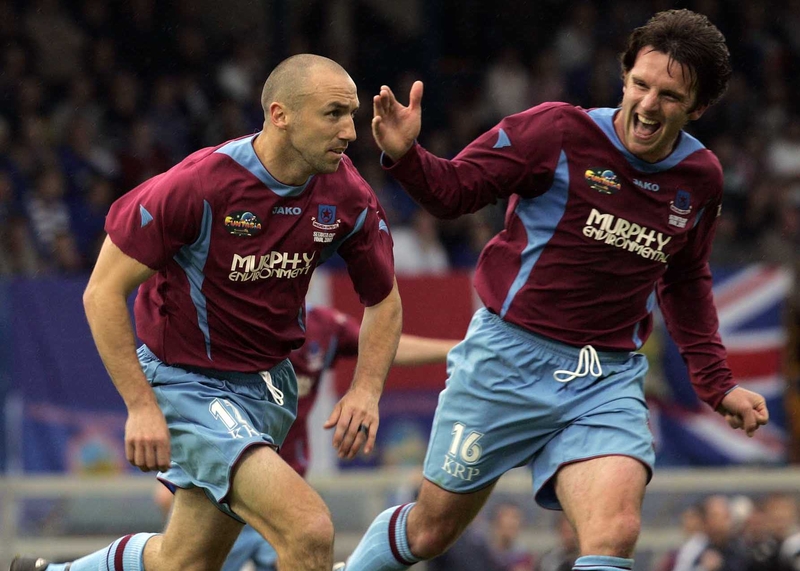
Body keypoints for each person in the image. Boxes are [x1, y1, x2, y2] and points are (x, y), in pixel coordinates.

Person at [338, 9, 770, 571]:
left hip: (603, 377)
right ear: (624, 76)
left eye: (669, 96)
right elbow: (454, 192)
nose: (647, 104)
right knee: (430, 531)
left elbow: (685, 279)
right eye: (640, 84)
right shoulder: (557, 132)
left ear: (698, 107)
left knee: (614, 532)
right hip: (506, 362)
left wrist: (717, 384)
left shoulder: (701, 178)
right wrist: (406, 155)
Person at [12, 54, 402, 571]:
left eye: (351, 115)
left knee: (185, 561)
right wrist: (141, 405)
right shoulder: (200, 183)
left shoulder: (347, 194)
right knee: (308, 530)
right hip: (187, 384)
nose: (350, 131)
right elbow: (101, 292)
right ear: (280, 115)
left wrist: (367, 390)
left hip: (267, 390)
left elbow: (385, 299)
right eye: (333, 114)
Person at [153, 304, 460, 571]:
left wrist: (457, 349)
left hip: (285, 489)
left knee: (309, 537)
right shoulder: (225, 323)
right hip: (227, 489)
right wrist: (182, 476)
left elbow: (382, 342)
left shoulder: (323, 328)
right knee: (179, 561)